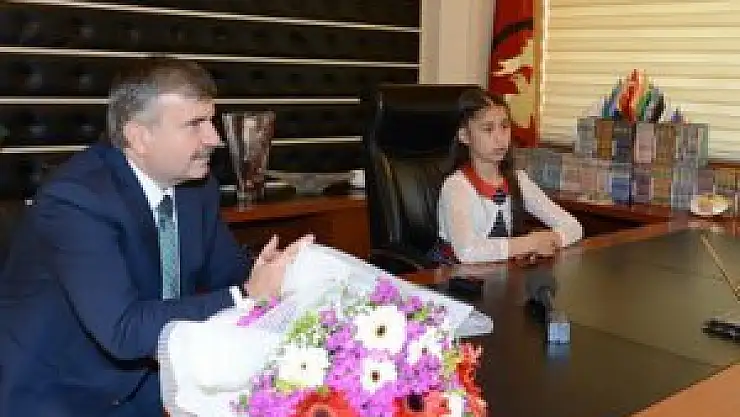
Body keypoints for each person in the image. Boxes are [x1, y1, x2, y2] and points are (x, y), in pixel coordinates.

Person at [0, 57, 313, 417]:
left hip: (152, 382)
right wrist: (246, 295)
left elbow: (227, 272)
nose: (214, 139)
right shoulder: (76, 200)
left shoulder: (196, 187)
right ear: (139, 137)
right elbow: (123, 330)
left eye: (210, 120)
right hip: (63, 396)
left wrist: (274, 271)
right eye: (195, 124)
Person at [432, 88, 583, 264]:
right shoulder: (456, 186)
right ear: (465, 136)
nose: (500, 138)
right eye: (488, 129)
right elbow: (467, 251)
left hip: (499, 272)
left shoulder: (518, 180)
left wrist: (553, 239)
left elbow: (574, 226)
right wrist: (529, 243)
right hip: (454, 273)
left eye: (504, 126)